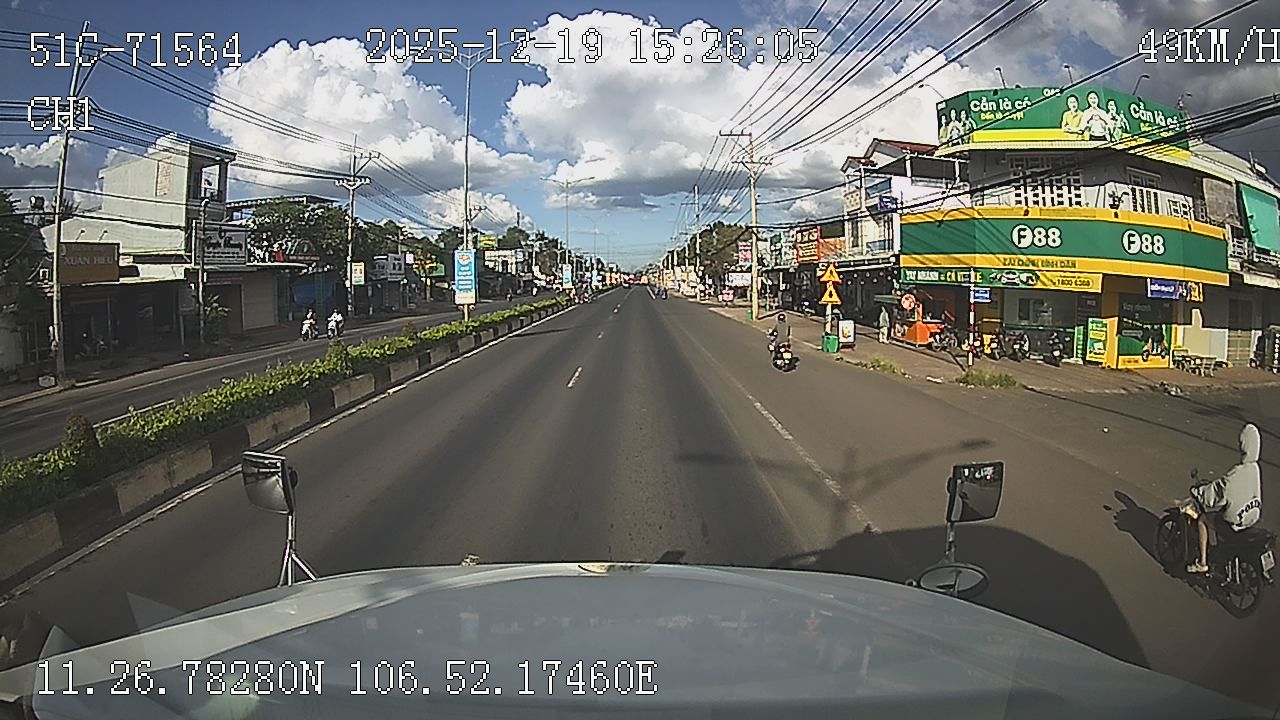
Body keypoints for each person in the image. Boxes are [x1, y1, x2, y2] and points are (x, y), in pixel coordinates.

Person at [1188, 423, 1263, 573]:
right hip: (1251, 517)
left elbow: (1216, 493)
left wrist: (1200, 492)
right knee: (1223, 513)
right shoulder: (1255, 468)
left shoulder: (1236, 473)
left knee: (1203, 519)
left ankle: (1202, 563)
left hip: (1235, 521)